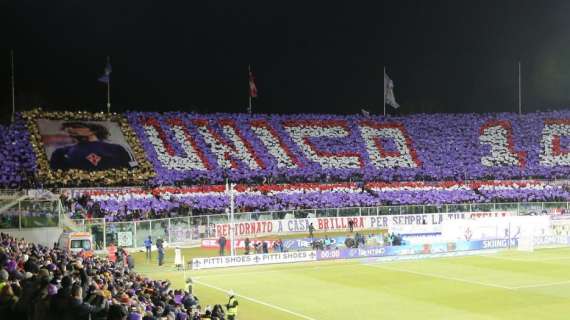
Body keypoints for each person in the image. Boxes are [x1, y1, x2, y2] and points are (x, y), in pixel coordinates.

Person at [49, 121, 135, 171]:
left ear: (93, 130)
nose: (70, 129)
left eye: (76, 126)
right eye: (68, 128)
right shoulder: (60, 152)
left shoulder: (117, 149)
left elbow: (134, 168)